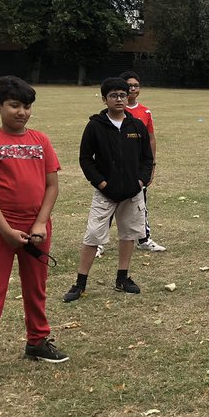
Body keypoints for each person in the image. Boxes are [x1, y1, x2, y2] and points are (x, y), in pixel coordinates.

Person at [0, 76, 67, 388]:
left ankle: (37, 342)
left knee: (36, 289)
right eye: (14, 105)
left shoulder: (41, 141)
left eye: (27, 106)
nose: (21, 112)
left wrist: (39, 223)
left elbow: (52, 186)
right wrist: (7, 230)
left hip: (37, 228)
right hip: (0, 229)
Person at [63, 77, 154, 302]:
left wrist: (140, 182)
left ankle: (122, 278)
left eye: (123, 95)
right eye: (113, 95)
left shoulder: (137, 126)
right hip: (105, 192)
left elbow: (146, 158)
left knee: (129, 234)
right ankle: (80, 283)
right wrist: (101, 183)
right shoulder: (95, 126)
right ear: (105, 99)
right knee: (93, 235)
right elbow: (86, 159)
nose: (119, 99)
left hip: (132, 192)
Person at [120, 70, 166, 252]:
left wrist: (152, 164)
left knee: (140, 203)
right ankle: (99, 243)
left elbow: (151, 138)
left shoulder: (145, 111)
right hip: (120, 164)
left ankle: (143, 239)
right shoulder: (116, 108)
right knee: (109, 202)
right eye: (129, 85)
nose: (132, 89)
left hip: (139, 164)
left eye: (136, 85)